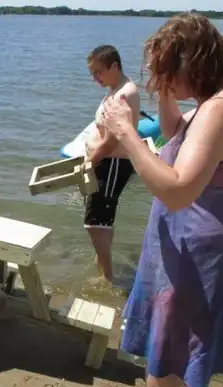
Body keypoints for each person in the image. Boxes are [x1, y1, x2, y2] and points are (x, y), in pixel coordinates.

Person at [98, 13, 223, 387]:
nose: (161, 79)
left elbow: (176, 190)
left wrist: (127, 133)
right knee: (199, 341)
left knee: (170, 342)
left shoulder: (218, 110)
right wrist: (167, 94)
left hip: (196, 253)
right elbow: (181, 135)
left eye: (168, 70)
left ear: (192, 63)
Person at [84, 45, 141, 282]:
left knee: (95, 224)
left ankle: (107, 280)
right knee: (102, 222)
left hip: (112, 163)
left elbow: (111, 141)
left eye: (98, 72)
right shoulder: (115, 89)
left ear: (114, 66)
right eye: (92, 73)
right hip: (106, 162)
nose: (95, 78)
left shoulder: (123, 95)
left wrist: (88, 162)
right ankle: (102, 270)